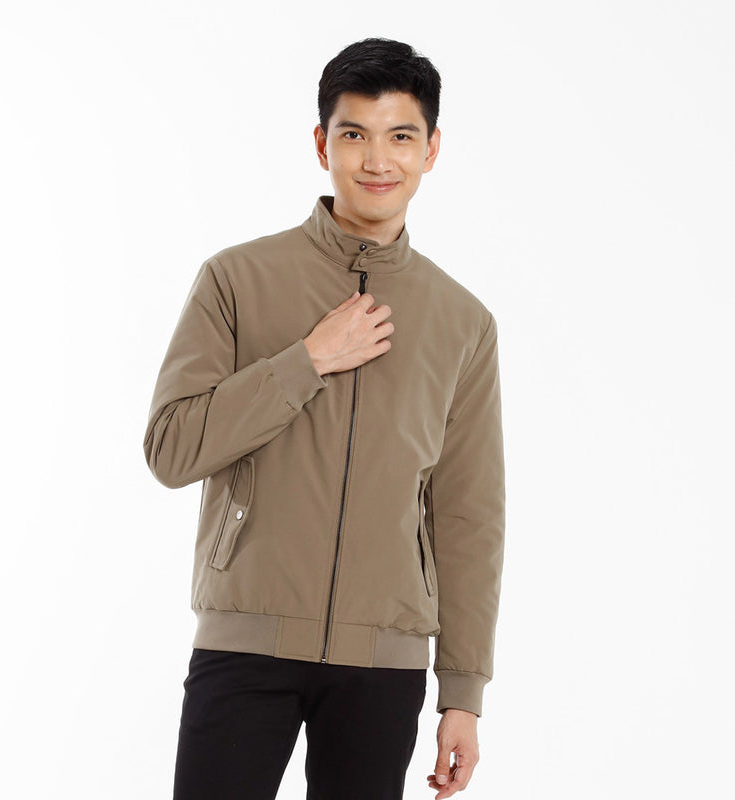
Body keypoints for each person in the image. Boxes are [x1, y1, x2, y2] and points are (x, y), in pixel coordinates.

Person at [143, 37, 506, 800]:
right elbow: (171, 449)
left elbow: (468, 515)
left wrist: (463, 692)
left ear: (431, 149)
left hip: (385, 664)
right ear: (321, 145)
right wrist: (306, 360)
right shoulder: (236, 279)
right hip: (246, 644)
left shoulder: (463, 322)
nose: (377, 160)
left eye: (400, 136)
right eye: (353, 134)